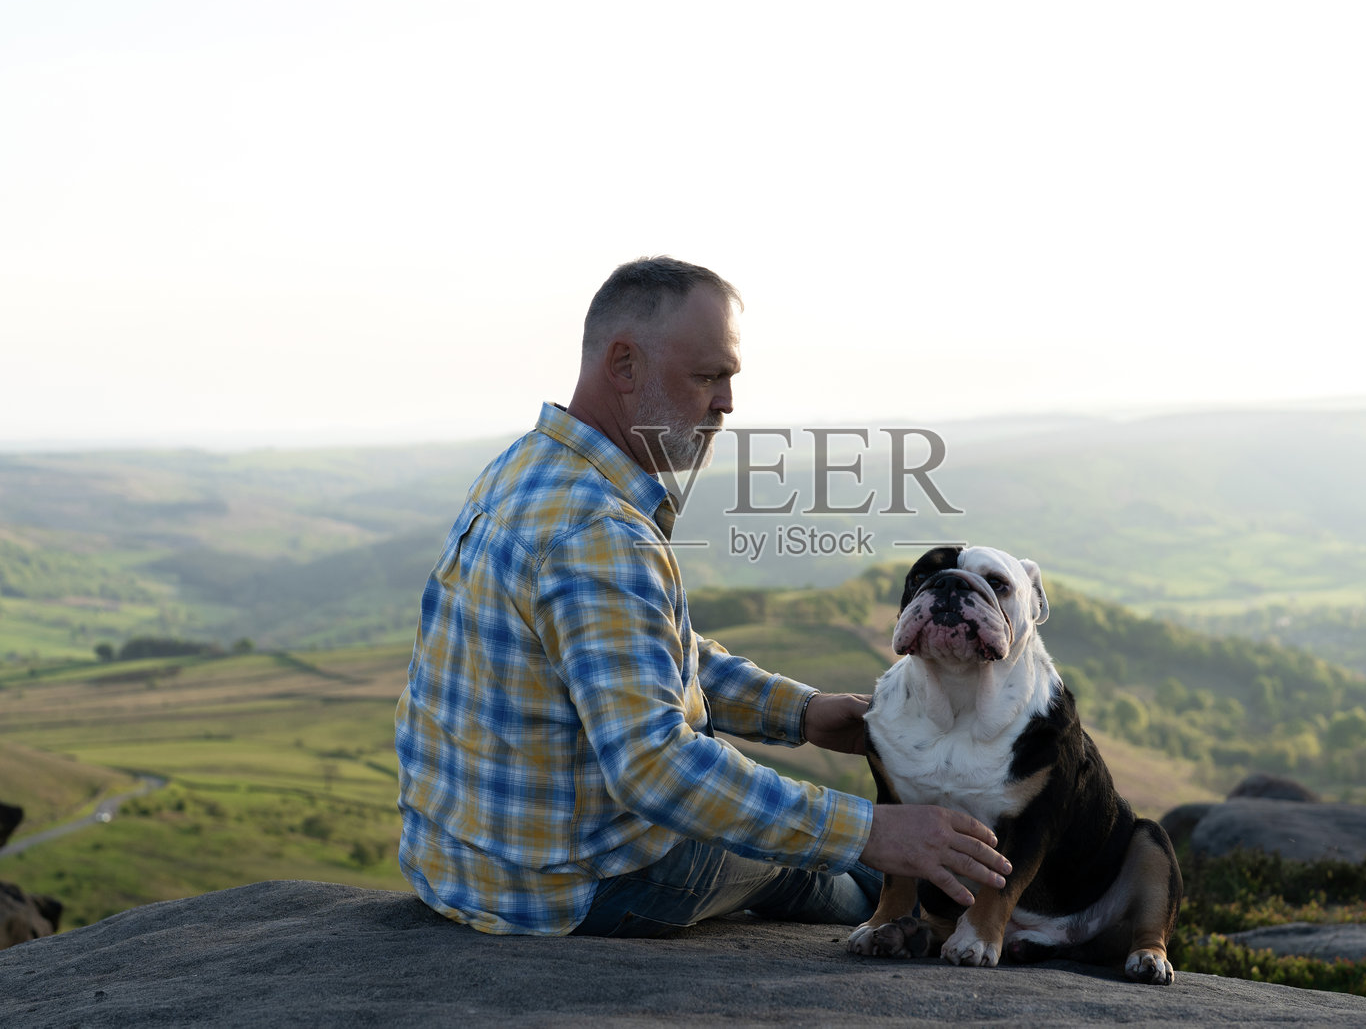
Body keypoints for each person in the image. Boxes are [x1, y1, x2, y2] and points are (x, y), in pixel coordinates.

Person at [394, 256, 1010, 938]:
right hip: (574, 879)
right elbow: (655, 766)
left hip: (464, 863)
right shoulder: (599, 529)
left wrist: (802, 714)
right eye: (707, 376)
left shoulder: (526, 470)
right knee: (855, 877)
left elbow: (654, 656)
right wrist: (875, 829)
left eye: (729, 378)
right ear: (623, 365)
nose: (726, 403)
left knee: (831, 847)